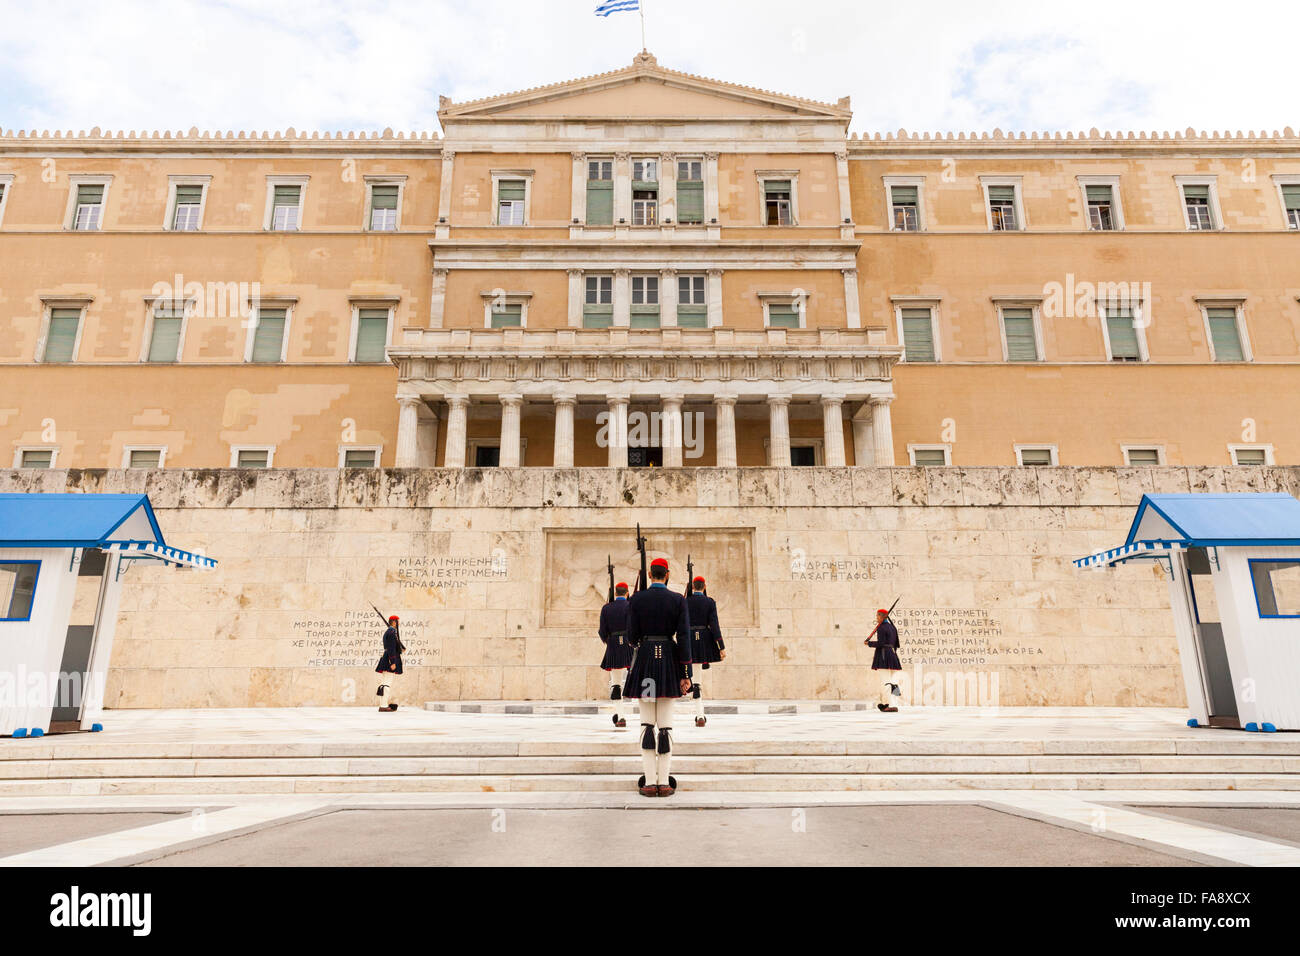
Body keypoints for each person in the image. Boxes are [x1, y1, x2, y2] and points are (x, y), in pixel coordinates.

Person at [624, 557, 692, 797]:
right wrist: (686, 673)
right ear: (668, 575)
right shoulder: (678, 600)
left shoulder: (636, 600)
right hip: (668, 663)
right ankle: (664, 782)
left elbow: (631, 636)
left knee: (646, 724)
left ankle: (649, 782)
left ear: (650, 576)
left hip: (646, 665)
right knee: (665, 725)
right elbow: (683, 637)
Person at [685, 575, 725, 727]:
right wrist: (721, 646)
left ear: (692, 587)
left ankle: (699, 713)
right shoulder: (709, 602)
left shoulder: (685, 601)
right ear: (705, 586)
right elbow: (714, 625)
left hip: (689, 639)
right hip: (704, 641)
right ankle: (700, 715)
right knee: (697, 679)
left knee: (695, 675)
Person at [599, 582, 633, 728]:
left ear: (615, 593)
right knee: (640, 679)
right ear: (627, 593)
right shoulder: (631, 606)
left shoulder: (607, 608)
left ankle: (620, 716)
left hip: (613, 644)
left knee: (616, 684)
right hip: (628, 644)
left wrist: (610, 641)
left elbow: (602, 631)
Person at [865, 608, 902, 713]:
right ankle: (894, 704)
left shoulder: (881, 628)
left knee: (886, 682)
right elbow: (896, 644)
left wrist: (869, 643)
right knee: (893, 682)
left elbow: (880, 643)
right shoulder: (893, 627)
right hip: (892, 655)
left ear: (882, 616)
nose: (876, 618)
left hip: (884, 656)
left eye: (877, 616)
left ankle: (887, 705)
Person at [375, 615, 405, 712]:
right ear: (394, 622)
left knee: (384, 684)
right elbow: (391, 648)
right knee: (387, 684)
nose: (399, 623)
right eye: (398, 621)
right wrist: (392, 662)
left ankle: (383, 704)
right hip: (389, 660)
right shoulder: (392, 632)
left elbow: (392, 646)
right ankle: (383, 706)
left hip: (386, 658)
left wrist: (400, 649)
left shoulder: (389, 632)